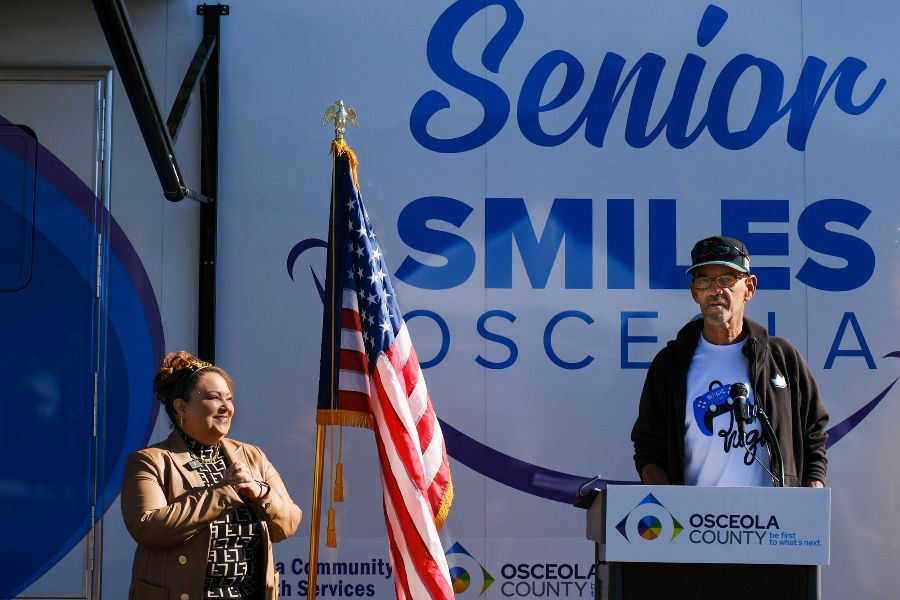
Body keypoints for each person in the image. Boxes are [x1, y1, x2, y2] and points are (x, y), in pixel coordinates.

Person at [631, 236, 828, 488]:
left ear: (750, 287)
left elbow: (814, 433)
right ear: (695, 292)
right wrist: (668, 504)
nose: (715, 290)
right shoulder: (671, 364)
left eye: (726, 279)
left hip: (774, 520)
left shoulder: (782, 358)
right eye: (704, 280)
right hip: (696, 522)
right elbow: (648, 445)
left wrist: (813, 488)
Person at [121, 351, 302, 600]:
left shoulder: (251, 455)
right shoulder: (150, 461)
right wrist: (224, 493)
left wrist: (260, 493)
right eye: (214, 398)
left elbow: (290, 522)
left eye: (229, 399)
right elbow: (148, 529)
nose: (226, 407)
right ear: (181, 407)